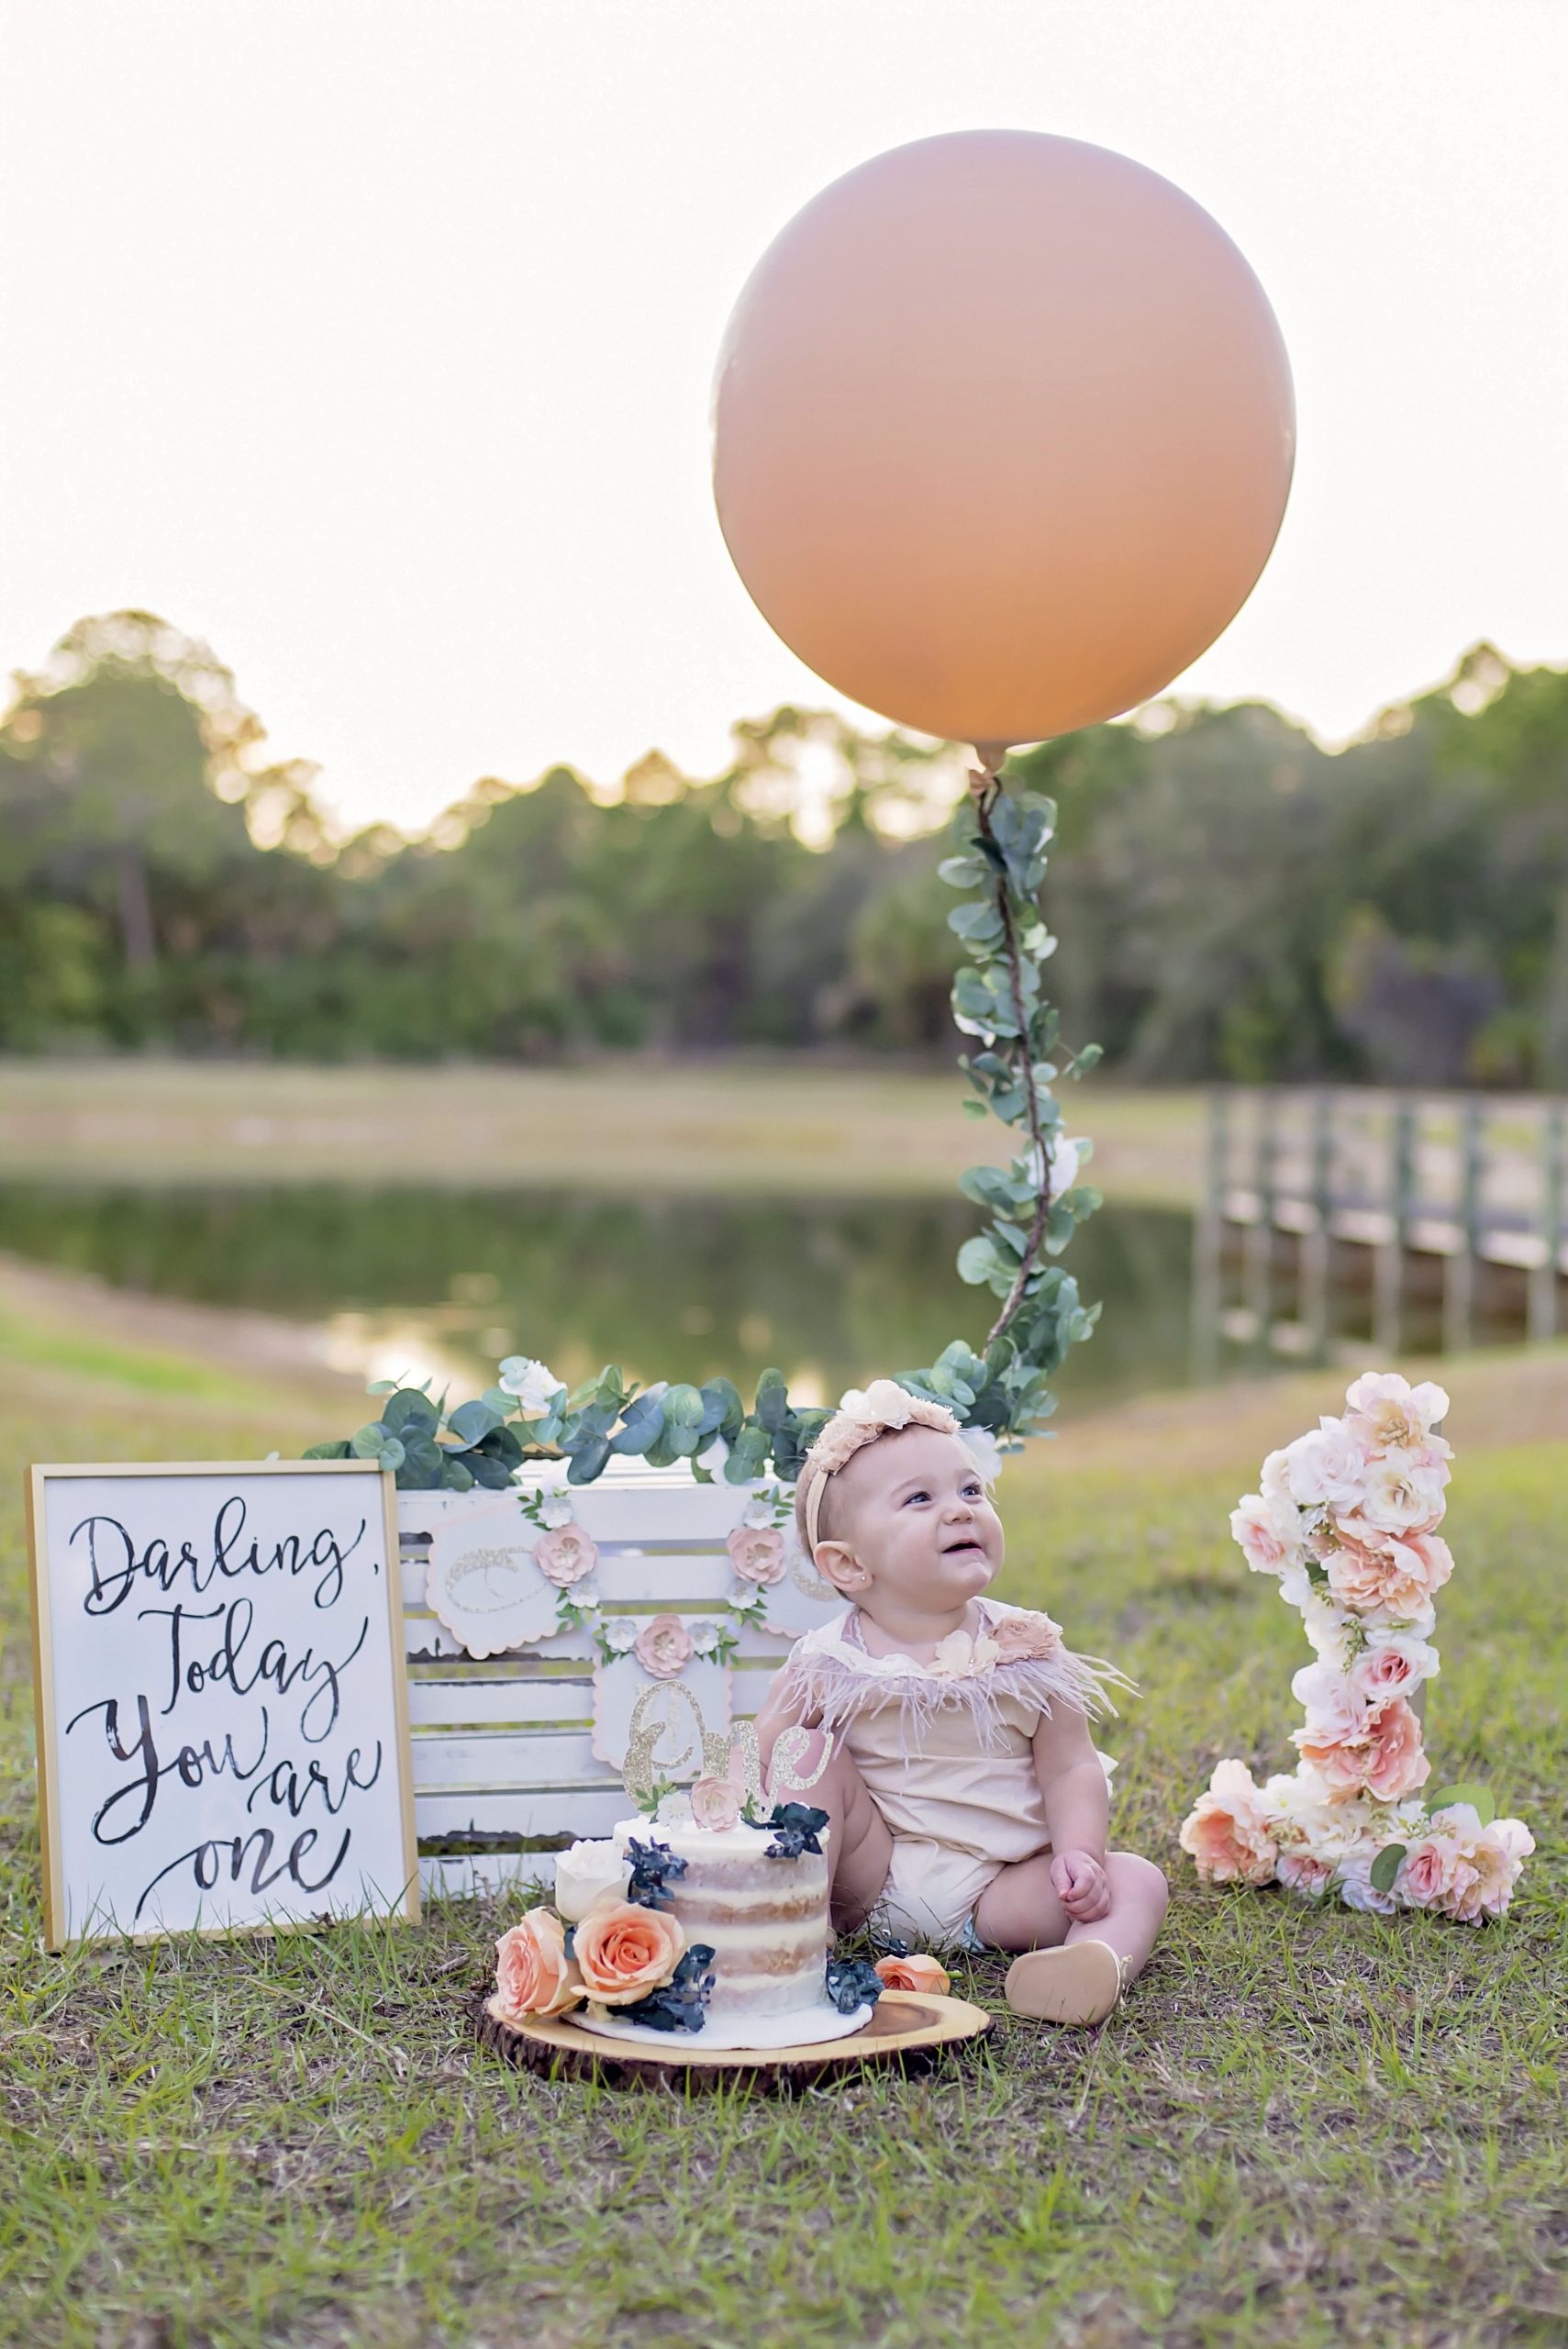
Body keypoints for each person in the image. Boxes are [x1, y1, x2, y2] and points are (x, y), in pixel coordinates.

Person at [755, 1379, 1167, 2026]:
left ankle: (1090, 1961)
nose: (959, 1510)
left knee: (1137, 1879)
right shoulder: (829, 1662)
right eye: (919, 1499)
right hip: (868, 1879)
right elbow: (773, 1770)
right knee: (801, 1751)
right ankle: (794, 1927)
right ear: (849, 1566)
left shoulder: (1024, 1649)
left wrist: (1078, 1854)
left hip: (999, 1891)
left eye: (970, 1490)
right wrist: (777, 1727)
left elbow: (1070, 1767)